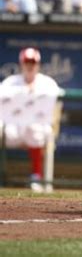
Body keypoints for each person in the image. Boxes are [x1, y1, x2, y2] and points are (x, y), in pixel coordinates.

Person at [1, 48, 60, 193]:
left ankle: (36, 177)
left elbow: (56, 103)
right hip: (12, 129)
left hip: (39, 128)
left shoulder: (47, 83)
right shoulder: (10, 82)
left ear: (38, 64)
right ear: (21, 64)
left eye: (32, 62)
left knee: (35, 129)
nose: (30, 65)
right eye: (27, 62)